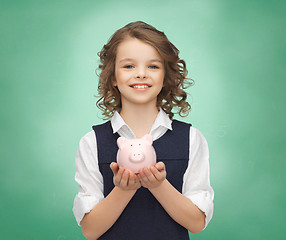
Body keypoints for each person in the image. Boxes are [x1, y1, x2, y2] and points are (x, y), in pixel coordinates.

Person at [73, 21, 214, 240]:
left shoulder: (191, 139)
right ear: (113, 77)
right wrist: (124, 189)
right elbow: (90, 230)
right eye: (129, 66)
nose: (140, 74)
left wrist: (158, 185)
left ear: (165, 77)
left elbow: (196, 223)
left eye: (153, 66)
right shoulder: (91, 142)